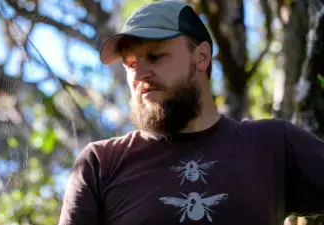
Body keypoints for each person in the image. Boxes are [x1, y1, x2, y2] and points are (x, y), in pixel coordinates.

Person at [58, 1, 324, 224]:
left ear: (201, 58)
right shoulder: (99, 164)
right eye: (130, 64)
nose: (138, 75)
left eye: (154, 56)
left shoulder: (272, 144)